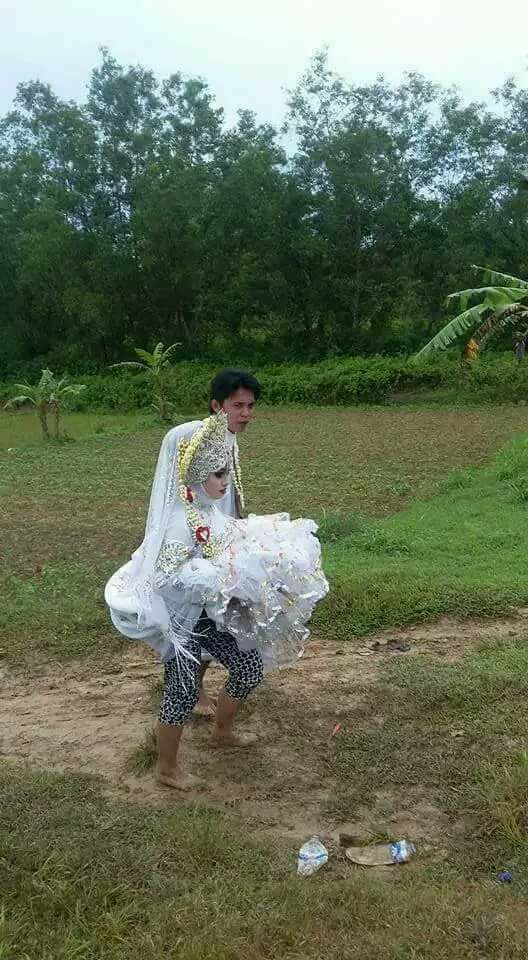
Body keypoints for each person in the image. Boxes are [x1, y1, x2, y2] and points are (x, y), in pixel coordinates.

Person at [105, 412, 328, 790]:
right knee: (182, 691)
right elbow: (165, 578)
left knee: (249, 667)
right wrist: (214, 572)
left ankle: (222, 733)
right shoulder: (179, 525)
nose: (226, 481)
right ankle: (166, 769)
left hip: (207, 615)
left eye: (227, 473)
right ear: (196, 477)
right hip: (182, 623)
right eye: (219, 474)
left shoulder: (205, 509)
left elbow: (227, 538)